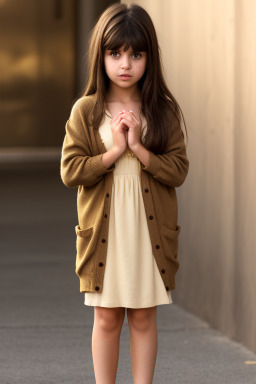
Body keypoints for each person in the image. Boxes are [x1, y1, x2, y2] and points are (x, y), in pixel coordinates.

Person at [60, 3, 189, 383]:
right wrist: (114, 151)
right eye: (115, 53)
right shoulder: (86, 110)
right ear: (100, 55)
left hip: (148, 234)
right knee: (107, 315)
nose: (125, 63)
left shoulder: (162, 111)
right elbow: (71, 171)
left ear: (150, 56)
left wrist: (139, 148)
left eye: (136, 53)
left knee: (145, 315)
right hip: (106, 232)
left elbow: (178, 170)